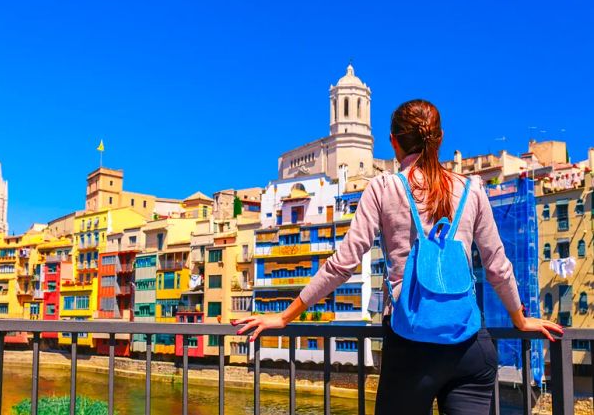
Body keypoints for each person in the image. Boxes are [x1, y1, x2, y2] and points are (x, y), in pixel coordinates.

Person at [233, 99, 563, 414]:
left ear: (393, 142)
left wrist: (286, 316)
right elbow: (497, 266)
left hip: (411, 347)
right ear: (441, 139)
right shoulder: (472, 188)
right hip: (471, 348)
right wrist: (519, 319)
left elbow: (343, 263)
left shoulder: (383, 188)